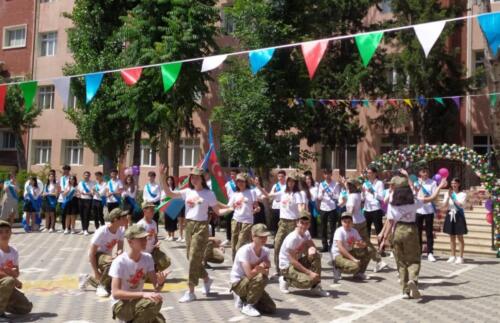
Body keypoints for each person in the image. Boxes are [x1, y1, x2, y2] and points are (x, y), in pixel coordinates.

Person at [379, 171, 446, 299]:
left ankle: (405, 290)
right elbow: (431, 199)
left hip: (397, 231)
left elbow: (390, 221)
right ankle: (413, 280)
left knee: (401, 262)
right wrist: (439, 187)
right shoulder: (414, 201)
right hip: (411, 230)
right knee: (414, 259)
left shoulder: (392, 203)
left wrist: (384, 238)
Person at [163, 166, 225, 303]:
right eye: (192, 177)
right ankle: (207, 279)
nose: (194, 179)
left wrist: (232, 209)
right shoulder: (187, 191)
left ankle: (190, 291)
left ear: (202, 179)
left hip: (201, 226)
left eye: (197, 176)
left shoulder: (209, 194)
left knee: (193, 259)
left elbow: (218, 212)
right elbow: (169, 194)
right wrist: (163, 177)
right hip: (189, 225)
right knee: (191, 257)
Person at [109, 224, 168, 323]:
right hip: (120, 305)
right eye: (140, 239)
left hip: (138, 302)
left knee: (159, 317)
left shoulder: (147, 258)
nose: (145, 241)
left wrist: (161, 283)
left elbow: (157, 288)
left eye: (145, 238)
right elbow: (116, 293)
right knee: (151, 303)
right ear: (130, 241)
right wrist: (143, 294)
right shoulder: (119, 262)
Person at [278, 211, 329, 296]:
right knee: (308, 281)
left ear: (309, 225)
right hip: (287, 266)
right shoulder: (293, 238)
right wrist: (309, 273)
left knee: (315, 256)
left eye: (306, 223)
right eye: (302, 223)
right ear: (297, 223)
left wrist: (312, 249)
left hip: (296, 261)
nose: (304, 225)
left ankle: (316, 287)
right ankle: (285, 279)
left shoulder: (306, 233)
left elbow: (312, 246)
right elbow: (293, 261)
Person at [79, 208, 128, 297]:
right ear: (116, 219)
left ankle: (88, 279)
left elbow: (120, 248)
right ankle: (101, 286)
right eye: (123, 217)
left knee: (114, 286)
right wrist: (96, 272)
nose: (126, 218)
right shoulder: (102, 231)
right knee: (113, 263)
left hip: (106, 258)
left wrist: (119, 254)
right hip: (96, 256)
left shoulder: (121, 229)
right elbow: (91, 253)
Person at [341, 178, 387, 273]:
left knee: (349, 243)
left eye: (348, 185)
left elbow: (350, 211)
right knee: (366, 242)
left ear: (351, 186)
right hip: (361, 220)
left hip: (354, 223)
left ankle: (346, 263)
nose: (347, 186)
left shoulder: (352, 196)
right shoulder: (357, 194)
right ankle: (379, 260)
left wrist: (345, 222)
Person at [230, 224, 276, 317]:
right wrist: (260, 267)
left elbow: (267, 273)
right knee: (260, 277)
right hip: (239, 283)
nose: (264, 239)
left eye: (265, 236)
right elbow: (249, 274)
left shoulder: (266, 251)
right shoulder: (245, 250)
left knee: (271, 308)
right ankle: (248, 305)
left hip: (251, 283)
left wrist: (261, 269)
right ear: (253, 236)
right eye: (261, 237)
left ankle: (244, 298)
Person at [267, 174, 305, 273]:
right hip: (283, 222)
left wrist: (303, 218)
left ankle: (294, 268)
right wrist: (258, 186)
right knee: (277, 244)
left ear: (295, 183)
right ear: (287, 182)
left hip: (293, 222)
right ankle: (279, 269)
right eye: (289, 181)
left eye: (293, 181)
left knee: (293, 247)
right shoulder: (283, 192)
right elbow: (268, 195)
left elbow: (300, 207)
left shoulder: (297, 194)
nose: (291, 183)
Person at [0, 220, 33, 318]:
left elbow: (16, 272)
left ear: (11, 233)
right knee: (9, 281)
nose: (4, 234)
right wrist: (13, 279)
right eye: (0, 232)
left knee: (26, 307)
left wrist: (13, 273)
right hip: (6, 282)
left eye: (7, 231)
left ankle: (3, 303)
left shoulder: (13, 251)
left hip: (6, 286)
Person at [331, 212, 371, 282]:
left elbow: (363, 243)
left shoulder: (354, 231)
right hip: (338, 255)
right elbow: (340, 248)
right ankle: (337, 268)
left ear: (352, 222)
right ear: (341, 222)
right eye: (344, 222)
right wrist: (353, 259)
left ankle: (359, 273)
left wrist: (361, 244)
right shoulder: (339, 231)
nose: (347, 224)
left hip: (349, 251)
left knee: (369, 250)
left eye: (349, 222)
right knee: (355, 266)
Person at [227, 173, 259, 260]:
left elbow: (257, 206)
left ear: (246, 182)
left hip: (247, 221)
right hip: (235, 220)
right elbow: (229, 207)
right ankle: (236, 264)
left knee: (240, 244)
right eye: (238, 181)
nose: (240, 183)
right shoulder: (235, 194)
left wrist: (256, 209)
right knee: (234, 245)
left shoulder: (252, 192)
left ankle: (242, 263)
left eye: (242, 181)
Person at [137, 202, 171, 276]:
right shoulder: (140, 224)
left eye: (153, 209)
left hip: (153, 251)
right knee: (143, 276)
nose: (153, 211)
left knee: (166, 261)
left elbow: (155, 236)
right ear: (144, 211)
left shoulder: (154, 223)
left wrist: (157, 244)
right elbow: (137, 241)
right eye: (151, 209)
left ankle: (153, 270)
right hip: (143, 253)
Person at [442, 178, 468, 264]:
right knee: (451, 236)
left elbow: (460, 205)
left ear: (459, 184)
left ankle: (460, 257)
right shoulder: (448, 193)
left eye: (455, 183)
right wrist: (447, 197)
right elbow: (444, 206)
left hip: (458, 215)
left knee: (460, 237)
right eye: (452, 183)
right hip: (450, 214)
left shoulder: (463, 194)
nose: (453, 185)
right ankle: (452, 255)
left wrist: (452, 197)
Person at [415, 166, 438, 262]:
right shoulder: (416, 182)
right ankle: (418, 252)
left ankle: (430, 253)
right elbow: (414, 195)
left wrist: (426, 197)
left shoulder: (433, 183)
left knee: (429, 232)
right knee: (417, 232)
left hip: (429, 210)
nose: (425, 174)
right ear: (420, 173)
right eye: (423, 172)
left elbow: (434, 196)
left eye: (426, 172)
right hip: (418, 210)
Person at [317, 169, 343, 252]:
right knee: (323, 227)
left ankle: (332, 244)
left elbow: (338, 196)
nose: (327, 176)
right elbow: (319, 197)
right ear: (324, 175)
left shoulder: (335, 184)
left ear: (331, 174)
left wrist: (333, 195)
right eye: (325, 174)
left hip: (332, 208)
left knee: (332, 227)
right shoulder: (322, 184)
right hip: (323, 207)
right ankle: (324, 245)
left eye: (328, 174)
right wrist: (322, 192)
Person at [362, 166, 385, 251]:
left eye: (370, 173)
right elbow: (362, 198)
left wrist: (372, 192)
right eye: (367, 173)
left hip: (376, 209)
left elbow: (382, 197)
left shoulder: (379, 183)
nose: (368, 174)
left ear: (375, 173)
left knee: (379, 229)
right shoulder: (365, 183)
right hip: (367, 209)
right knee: (366, 230)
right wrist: (363, 194)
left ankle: (381, 248)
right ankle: (367, 248)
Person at [223, 169, 239, 247]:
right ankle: (228, 238)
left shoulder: (240, 184)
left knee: (238, 222)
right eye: (231, 174)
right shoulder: (228, 184)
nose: (232, 176)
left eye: (234, 174)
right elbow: (226, 195)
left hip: (239, 205)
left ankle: (237, 238)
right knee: (228, 221)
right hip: (230, 205)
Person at [77, 171, 94, 236]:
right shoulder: (80, 183)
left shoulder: (92, 183)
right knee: (82, 215)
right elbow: (78, 191)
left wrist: (86, 193)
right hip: (81, 200)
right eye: (85, 175)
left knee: (86, 215)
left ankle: (86, 229)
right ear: (83, 176)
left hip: (88, 200)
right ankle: (83, 229)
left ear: (89, 176)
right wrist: (78, 194)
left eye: (88, 175)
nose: (86, 176)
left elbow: (92, 192)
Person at [304, 173, 319, 238]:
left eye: (309, 179)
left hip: (312, 205)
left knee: (312, 220)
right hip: (304, 205)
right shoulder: (303, 189)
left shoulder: (314, 188)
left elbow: (314, 198)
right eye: (306, 179)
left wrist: (308, 191)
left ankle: (312, 234)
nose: (307, 180)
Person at [164, 176, 179, 241]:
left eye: (171, 180)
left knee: (173, 221)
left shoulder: (175, 189)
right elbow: (163, 197)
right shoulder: (165, 189)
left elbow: (176, 196)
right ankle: (168, 234)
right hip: (166, 206)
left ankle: (172, 235)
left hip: (173, 206)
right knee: (167, 221)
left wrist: (170, 197)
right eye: (168, 180)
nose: (169, 181)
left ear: (173, 181)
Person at [57, 165, 71, 231]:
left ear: (69, 170)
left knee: (68, 213)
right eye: (64, 170)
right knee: (62, 213)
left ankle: (68, 227)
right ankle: (63, 227)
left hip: (68, 196)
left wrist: (66, 191)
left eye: (66, 170)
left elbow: (71, 186)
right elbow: (60, 186)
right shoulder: (62, 178)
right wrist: (60, 191)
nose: (65, 171)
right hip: (62, 197)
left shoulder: (71, 178)